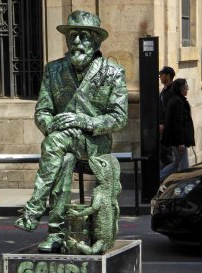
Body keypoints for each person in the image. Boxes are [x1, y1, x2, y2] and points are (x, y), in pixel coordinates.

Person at [14, 10, 128, 252]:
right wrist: (50, 123)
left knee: (54, 143)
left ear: (97, 41)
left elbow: (119, 118)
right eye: (72, 35)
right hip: (62, 143)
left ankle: (34, 209)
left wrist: (84, 120)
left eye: (84, 36)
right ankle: (56, 233)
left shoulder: (112, 72)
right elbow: (42, 111)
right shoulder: (53, 70)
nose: (76, 42)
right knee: (63, 159)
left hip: (94, 144)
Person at [160, 78, 195, 181]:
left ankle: (158, 178)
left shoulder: (177, 100)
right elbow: (178, 123)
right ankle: (184, 182)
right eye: (186, 86)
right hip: (177, 140)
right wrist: (181, 142)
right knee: (183, 164)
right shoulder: (177, 102)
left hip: (176, 139)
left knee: (177, 163)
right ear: (181, 89)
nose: (188, 88)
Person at [159, 66, 175, 168]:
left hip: (168, 127)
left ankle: (172, 171)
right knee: (163, 152)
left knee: (164, 153)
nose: (160, 77)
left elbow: (169, 110)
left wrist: (163, 124)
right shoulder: (164, 90)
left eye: (162, 75)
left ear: (168, 76)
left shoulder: (171, 91)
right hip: (163, 126)